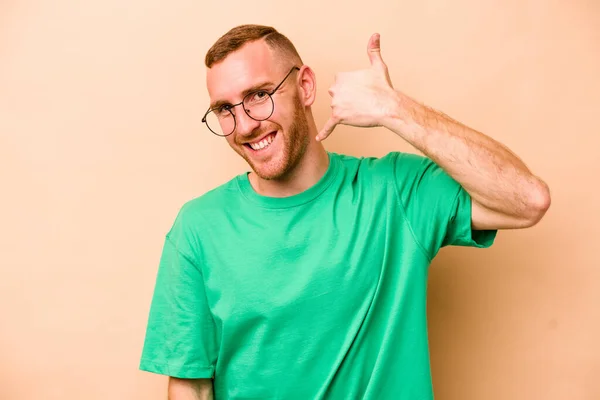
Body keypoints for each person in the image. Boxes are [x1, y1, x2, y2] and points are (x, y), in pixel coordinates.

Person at [139, 24, 551, 400]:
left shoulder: (395, 191)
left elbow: (526, 200)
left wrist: (394, 108)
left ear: (305, 86)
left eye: (258, 96)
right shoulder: (198, 228)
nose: (244, 124)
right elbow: (190, 386)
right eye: (225, 109)